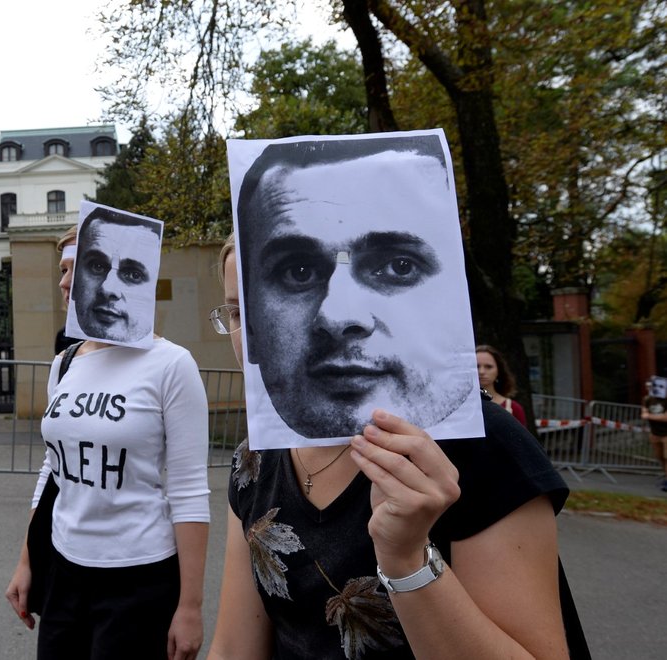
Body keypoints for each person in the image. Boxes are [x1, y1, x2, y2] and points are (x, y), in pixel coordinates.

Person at [208, 233, 588, 659]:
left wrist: (406, 558)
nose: (250, 333)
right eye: (240, 311)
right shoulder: (255, 459)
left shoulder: (479, 446)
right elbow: (232, 647)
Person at [5, 234, 211, 660]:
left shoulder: (170, 364)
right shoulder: (64, 363)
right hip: (64, 570)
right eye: (62, 270)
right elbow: (53, 470)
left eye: (75, 268)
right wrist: (28, 560)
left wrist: (190, 607)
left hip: (139, 579)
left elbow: (189, 490)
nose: (63, 282)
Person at [233, 135, 478, 443]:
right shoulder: (253, 467)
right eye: (299, 272)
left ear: (461, 304)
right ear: (252, 328)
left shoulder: (508, 467)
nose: (337, 317)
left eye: (399, 267)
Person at [71, 207, 162, 344]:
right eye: (97, 266)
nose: (108, 289)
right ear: (74, 284)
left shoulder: (175, 363)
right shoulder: (66, 361)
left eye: (133, 275)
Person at [475, 344, 527, 426]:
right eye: (476, 366)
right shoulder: (460, 409)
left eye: (488, 367)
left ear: (499, 370)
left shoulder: (514, 409)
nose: (481, 371)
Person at [54, 225, 81, 354]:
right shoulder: (64, 339)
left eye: (78, 269)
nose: (63, 283)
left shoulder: (150, 358)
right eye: (64, 270)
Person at [640, 376, 667, 491]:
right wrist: (645, 413)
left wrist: (649, 416)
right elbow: (644, 412)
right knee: (660, 457)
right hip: (655, 433)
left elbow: (665, 417)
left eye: (651, 386)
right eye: (647, 387)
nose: (649, 389)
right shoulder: (647, 399)